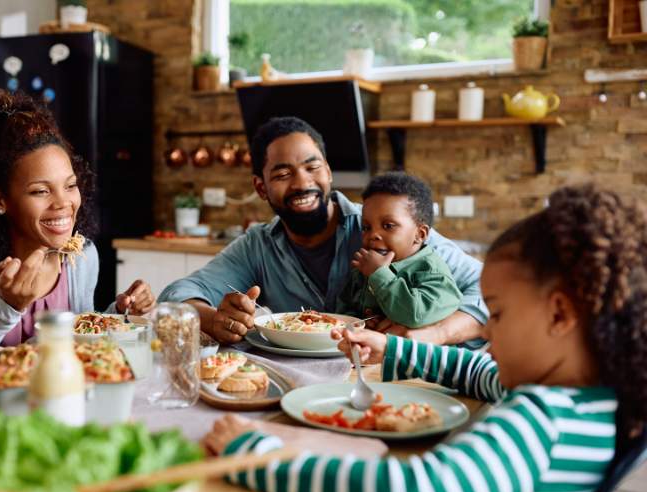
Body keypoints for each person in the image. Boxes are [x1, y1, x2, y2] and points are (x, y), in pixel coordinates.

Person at [203, 184, 647, 492]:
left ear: (560, 314)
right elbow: (478, 371)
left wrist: (253, 453)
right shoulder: (588, 399)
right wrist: (393, 349)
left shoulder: (540, 421)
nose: (487, 328)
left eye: (498, 312)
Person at [159, 116, 486, 346]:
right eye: (283, 173)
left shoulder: (379, 228)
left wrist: (437, 333)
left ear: (328, 172)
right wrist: (213, 318)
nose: (303, 183)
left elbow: (486, 289)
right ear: (261, 187)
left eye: (313, 167)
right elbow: (177, 294)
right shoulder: (257, 246)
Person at [0, 87, 154, 369]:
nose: (64, 203)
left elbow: (78, 344)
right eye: (40, 191)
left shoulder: (81, 256)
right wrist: (5, 307)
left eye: (70, 186)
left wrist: (118, 313)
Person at [336, 172, 461, 328]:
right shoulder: (364, 267)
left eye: (388, 226)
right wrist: (359, 322)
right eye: (366, 227)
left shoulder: (432, 272)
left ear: (419, 234)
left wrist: (379, 274)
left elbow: (416, 315)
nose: (373, 235)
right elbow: (344, 308)